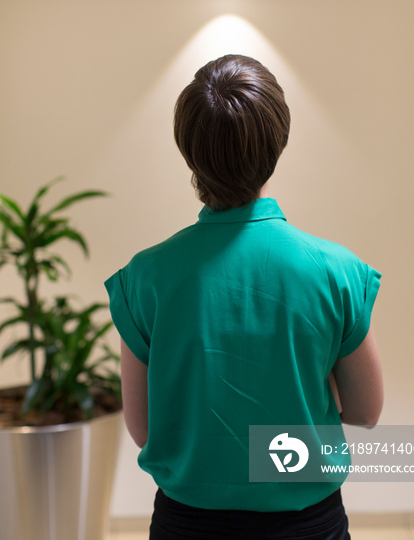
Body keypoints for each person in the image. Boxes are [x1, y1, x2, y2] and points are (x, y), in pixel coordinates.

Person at [105, 54, 383, 540]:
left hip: (186, 526)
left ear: (188, 150)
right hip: (307, 525)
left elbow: (145, 428)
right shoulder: (337, 272)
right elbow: (366, 410)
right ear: (278, 142)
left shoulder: (145, 277)